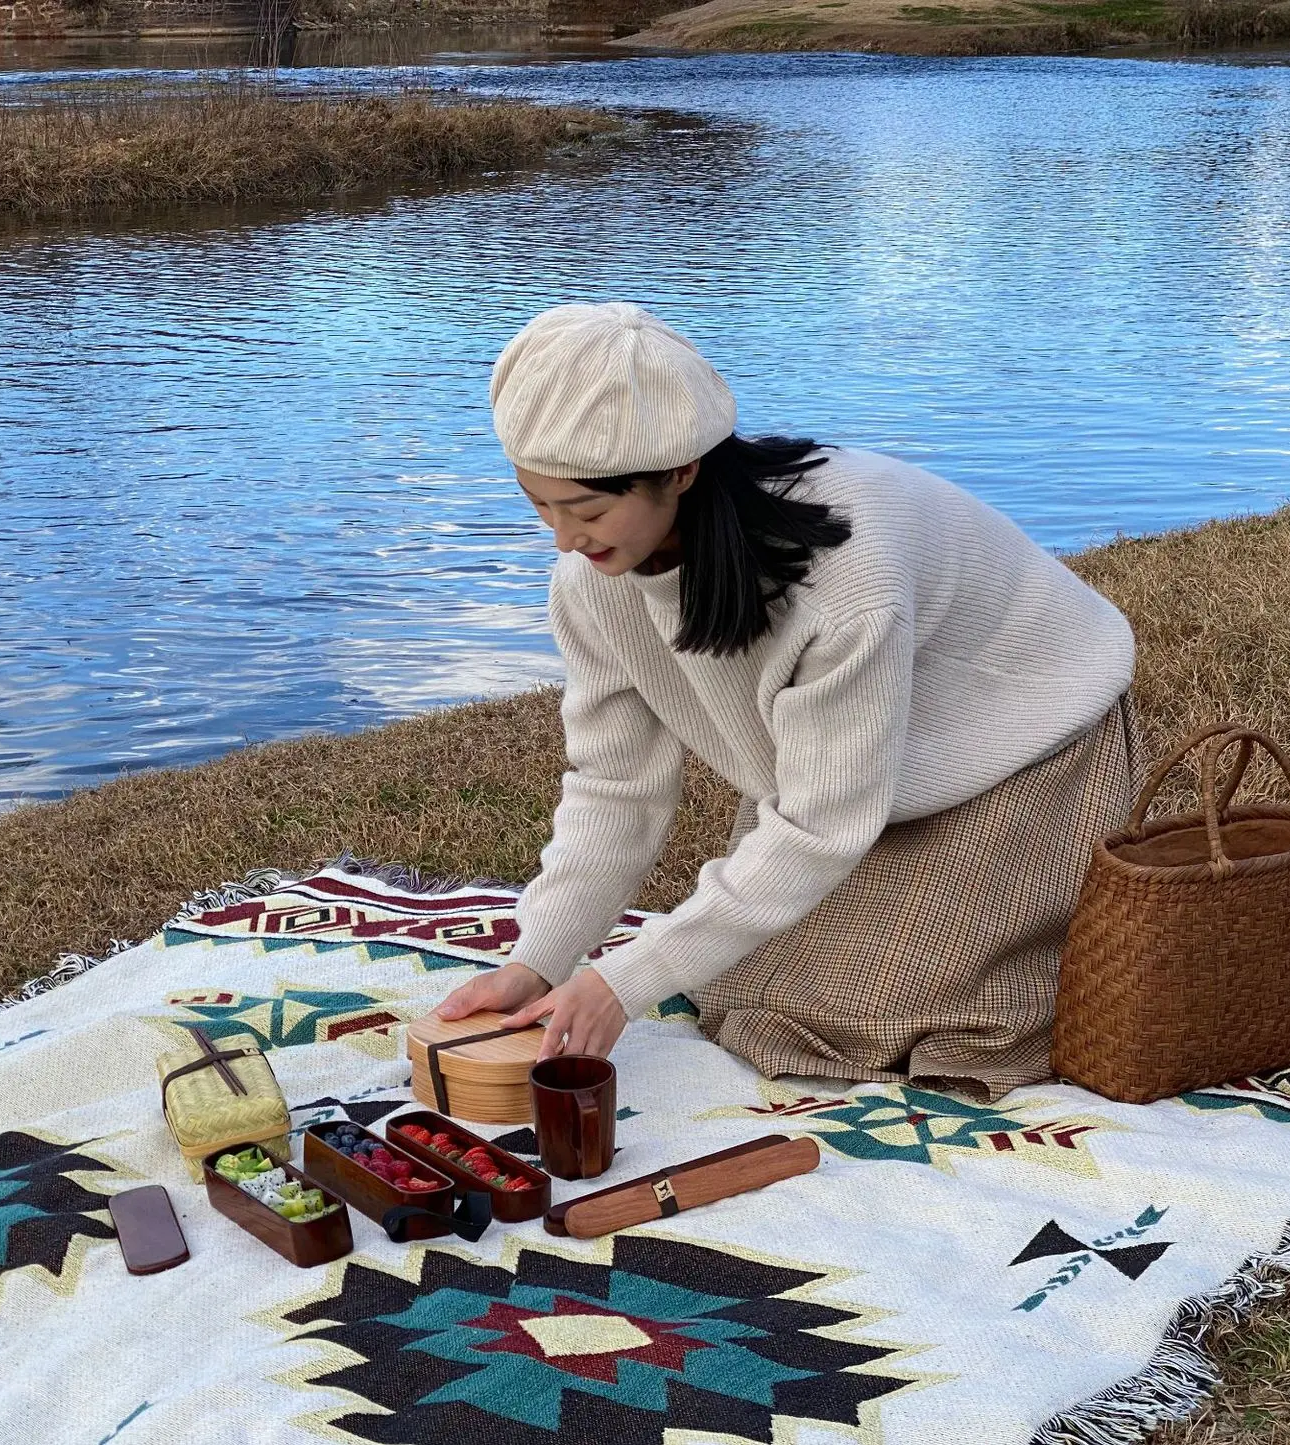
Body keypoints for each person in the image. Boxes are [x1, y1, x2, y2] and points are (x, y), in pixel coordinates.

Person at [434, 301, 1137, 1100]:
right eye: (540, 504)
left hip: (1023, 747)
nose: (564, 539)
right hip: (862, 777)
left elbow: (820, 826)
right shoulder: (593, 585)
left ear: (680, 470)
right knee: (740, 995)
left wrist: (625, 982)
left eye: (588, 510)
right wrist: (538, 959)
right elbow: (614, 787)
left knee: (868, 1018)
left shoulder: (844, 583)